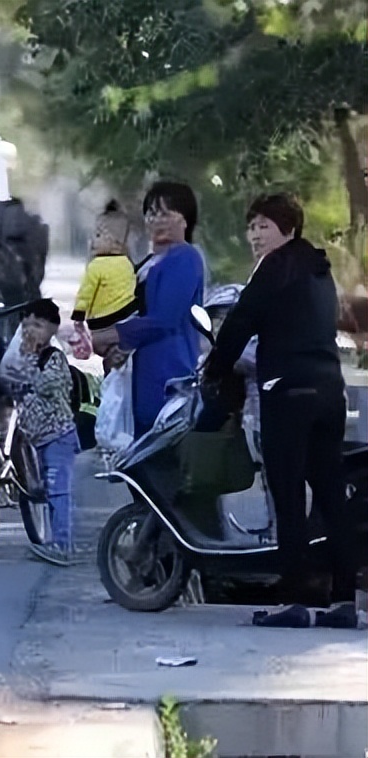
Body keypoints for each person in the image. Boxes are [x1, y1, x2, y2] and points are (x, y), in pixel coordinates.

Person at [204, 193, 358, 604]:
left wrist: (216, 369)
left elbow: (239, 322)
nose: (255, 235)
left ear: (288, 229)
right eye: (251, 226)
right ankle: (343, 597)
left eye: (264, 226)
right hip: (329, 391)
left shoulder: (276, 266)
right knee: (329, 491)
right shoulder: (319, 271)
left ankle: (296, 597)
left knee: (286, 493)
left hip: (287, 391)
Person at [94, 181, 205, 437]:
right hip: (141, 377)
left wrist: (110, 336)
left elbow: (164, 319)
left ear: (185, 220)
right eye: (152, 213)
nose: (157, 220)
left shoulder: (185, 258)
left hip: (169, 375)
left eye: (166, 213)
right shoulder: (148, 263)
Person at [0, 299, 80, 565]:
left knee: (58, 490)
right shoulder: (26, 356)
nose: (31, 329)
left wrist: (31, 360)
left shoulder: (53, 357)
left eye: (39, 324)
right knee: (45, 489)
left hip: (59, 436)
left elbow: (49, 385)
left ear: (53, 329)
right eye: (27, 324)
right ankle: (52, 540)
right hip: (40, 439)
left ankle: (63, 545)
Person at [70, 200, 137, 358]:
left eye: (98, 235)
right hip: (124, 317)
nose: (93, 240)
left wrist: (79, 316)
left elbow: (86, 293)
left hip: (102, 321)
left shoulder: (98, 263)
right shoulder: (126, 262)